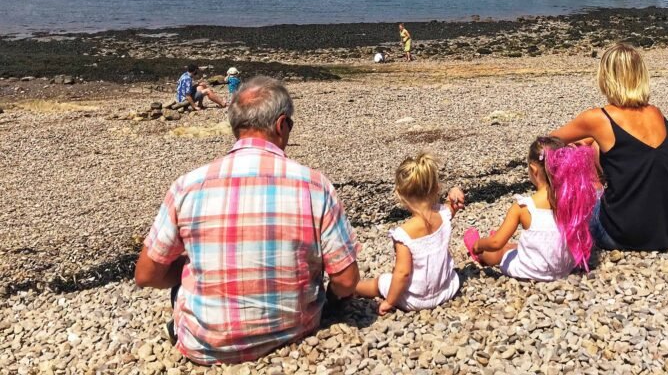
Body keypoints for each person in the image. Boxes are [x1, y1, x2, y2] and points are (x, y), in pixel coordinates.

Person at [135, 77, 361, 365]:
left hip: (205, 344)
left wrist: (187, 268)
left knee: (185, 276)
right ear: (281, 125)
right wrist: (329, 298)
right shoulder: (315, 186)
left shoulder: (189, 186)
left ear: (236, 127)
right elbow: (346, 279)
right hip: (294, 331)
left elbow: (146, 275)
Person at [549, 43, 668, 252]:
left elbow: (546, 143)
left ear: (605, 77)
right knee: (594, 142)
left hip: (620, 234)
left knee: (588, 145)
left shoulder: (598, 118)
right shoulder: (656, 113)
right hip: (666, 231)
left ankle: (593, 191)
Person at [464, 137, 600, 280]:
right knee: (517, 246)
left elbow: (496, 243)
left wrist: (480, 244)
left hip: (530, 271)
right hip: (564, 269)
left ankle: (479, 253)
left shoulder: (524, 207)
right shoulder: (572, 200)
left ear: (534, 170)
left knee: (502, 250)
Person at [354, 153, 464, 314]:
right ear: (436, 188)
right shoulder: (443, 215)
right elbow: (454, 204)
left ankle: (352, 288)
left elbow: (402, 273)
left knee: (382, 281)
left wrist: (389, 302)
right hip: (446, 288)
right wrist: (455, 190)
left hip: (416, 299)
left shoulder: (404, 234)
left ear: (400, 194)